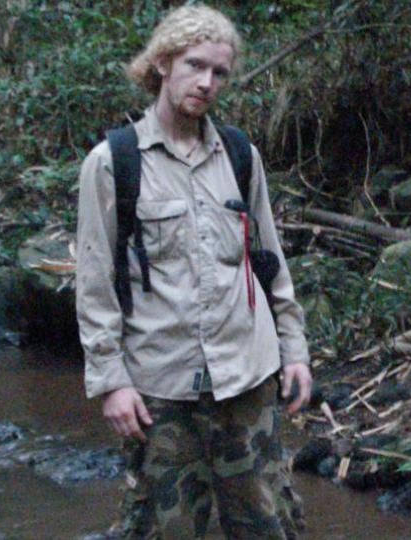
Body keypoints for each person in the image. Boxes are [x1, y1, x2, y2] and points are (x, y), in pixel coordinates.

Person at [75, 5, 312, 539]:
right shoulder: (113, 163)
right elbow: (93, 286)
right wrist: (111, 383)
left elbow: (270, 263)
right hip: (161, 390)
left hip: (247, 381)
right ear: (162, 62)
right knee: (168, 529)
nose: (207, 83)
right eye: (194, 65)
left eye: (220, 72)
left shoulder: (239, 155)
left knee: (269, 525)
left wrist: (294, 351)